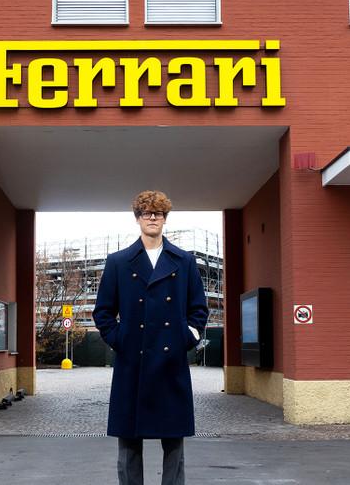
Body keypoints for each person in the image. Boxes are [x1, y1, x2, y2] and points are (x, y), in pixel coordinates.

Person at [93, 190, 209, 485]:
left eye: (158, 213)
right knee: (129, 444)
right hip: (132, 362)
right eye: (146, 213)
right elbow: (103, 312)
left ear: (165, 218)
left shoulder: (184, 261)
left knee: (174, 443)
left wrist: (187, 337)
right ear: (138, 218)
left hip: (171, 363)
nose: (152, 218)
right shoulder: (119, 262)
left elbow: (199, 309)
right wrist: (121, 340)